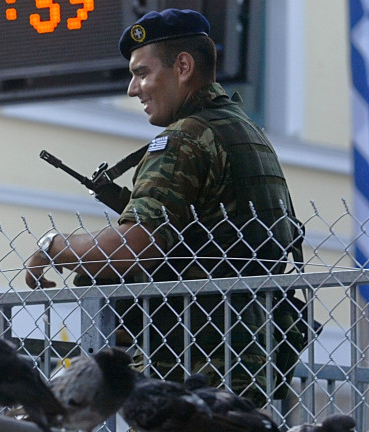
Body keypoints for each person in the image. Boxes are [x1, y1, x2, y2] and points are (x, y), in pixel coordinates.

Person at [24, 9, 305, 406]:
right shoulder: (245, 130)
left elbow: (134, 245)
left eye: (142, 73)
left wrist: (53, 246)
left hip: (191, 365)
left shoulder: (183, 140)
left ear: (183, 67)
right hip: (249, 357)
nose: (132, 89)